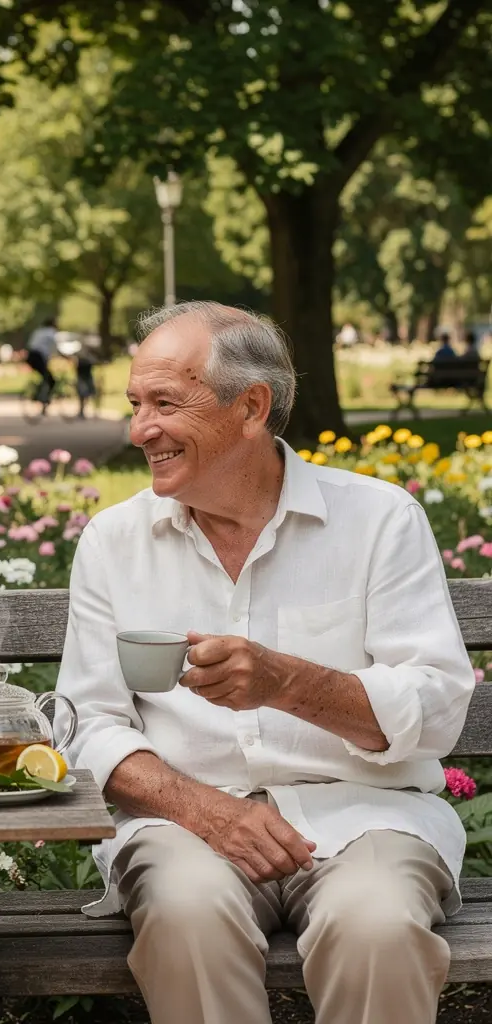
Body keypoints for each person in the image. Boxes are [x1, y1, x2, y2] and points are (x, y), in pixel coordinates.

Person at [55, 299, 474, 1024]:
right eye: (134, 404)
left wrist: (285, 681)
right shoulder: (113, 542)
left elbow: (434, 705)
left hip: (368, 815)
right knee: (186, 918)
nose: (138, 430)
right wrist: (208, 813)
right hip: (185, 827)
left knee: (376, 926)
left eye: (164, 403)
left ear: (251, 408)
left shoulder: (378, 519)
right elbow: (89, 725)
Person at [25, 317, 58, 407]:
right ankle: (42, 396)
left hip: (31, 356)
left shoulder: (38, 331)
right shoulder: (51, 333)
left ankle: (40, 394)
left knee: (45, 377)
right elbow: (55, 348)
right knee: (50, 379)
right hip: (38, 357)